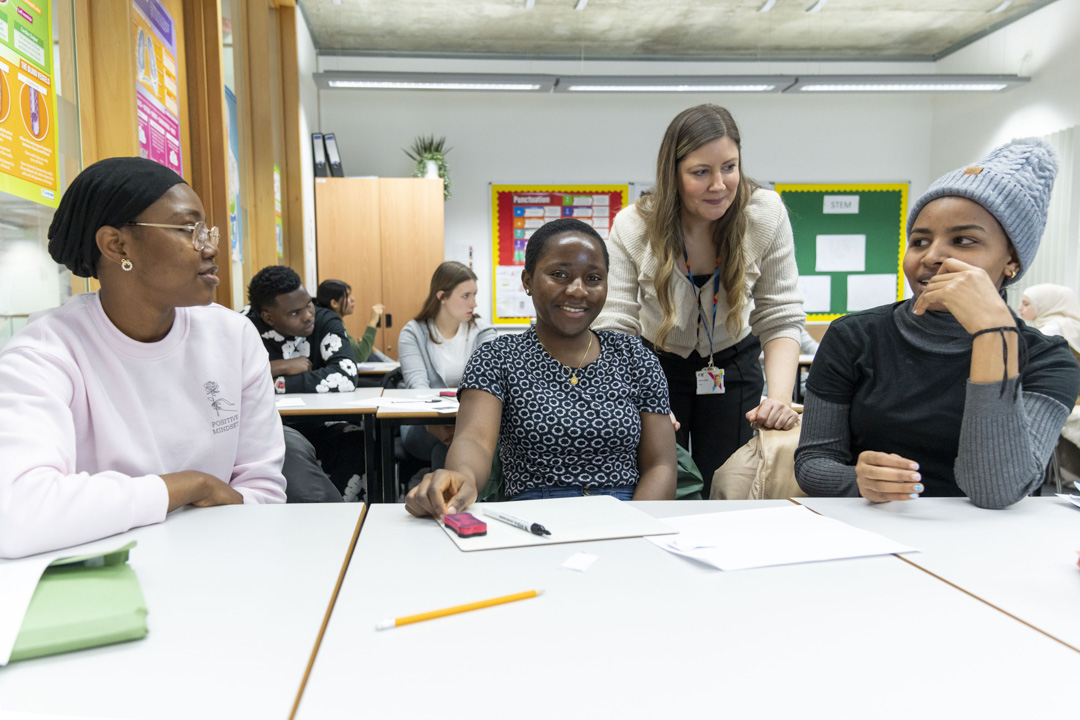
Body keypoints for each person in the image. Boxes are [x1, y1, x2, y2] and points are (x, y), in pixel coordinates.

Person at [0, 157, 286, 558]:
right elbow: (16, 512)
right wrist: (189, 485)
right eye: (189, 229)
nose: (210, 246)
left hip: (222, 564)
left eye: (207, 230)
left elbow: (262, 491)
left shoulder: (232, 336)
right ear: (117, 245)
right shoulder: (43, 354)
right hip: (103, 579)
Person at [795, 139, 1080, 509]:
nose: (931, 257)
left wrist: (993, 333)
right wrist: (857, 480)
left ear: (1011, 260)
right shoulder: (854, 337)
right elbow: (813, 464)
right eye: (919, 241)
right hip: (876, 528)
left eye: (963, 240)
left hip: (992, 544)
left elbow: (996, 490)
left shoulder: (1049, 359)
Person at [593, 104, 804, 494]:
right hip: (655, 366)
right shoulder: (633, 225)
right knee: (661, 480)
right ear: (672, 174)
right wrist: (642, 395)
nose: (719, 185)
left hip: (732, 364)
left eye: (729, 167)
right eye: (700, 172)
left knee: (731, 482)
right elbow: (614, 325)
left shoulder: (765, 214)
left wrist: (778, 399)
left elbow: (781, 313)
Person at [406, 219, 677, 518]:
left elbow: (661, 465)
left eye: (593, 278)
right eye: (559, 275)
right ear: (527, 281)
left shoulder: (634, 356)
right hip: (535, 519)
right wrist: (462, 478)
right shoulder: (498, 357)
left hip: (627, 513)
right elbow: (475, 441)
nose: (578, 290)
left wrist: (633, 527)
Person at [244, 266, 364, 500]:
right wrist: (279, 367)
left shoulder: (324, 320)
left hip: (323, 423)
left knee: (356, 441)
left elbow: (345, 375)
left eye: (308, 304)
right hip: (268, 427)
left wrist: (276, 382)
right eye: (294, 313)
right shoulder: (244, 328)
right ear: (268, 316)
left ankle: (343, 519)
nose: (308, 315)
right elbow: (231, 380)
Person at [398, 261, 496, 470]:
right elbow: (418, 388)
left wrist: (462, 425)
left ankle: (443, 493)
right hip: (423, 423)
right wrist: (433, 425)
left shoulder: (484, 331)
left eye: (475, 295)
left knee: (450, 449)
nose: (474, 303)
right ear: (442, 297)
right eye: (465, 296)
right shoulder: (413, 333)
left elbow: (489, 385)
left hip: (472, 421)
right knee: (453, 448)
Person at [315, 278, 385, 363]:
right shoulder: (332, 324)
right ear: (334, 303)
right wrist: (373, 322)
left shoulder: (326, 319)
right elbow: (359, 356)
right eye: (347, 296)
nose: (353, 299)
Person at [1018, 283, 1080, 355]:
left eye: (1026, 304)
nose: (1019, 308)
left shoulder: (1053, 328)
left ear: (1045, 305)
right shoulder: (1069, 325)